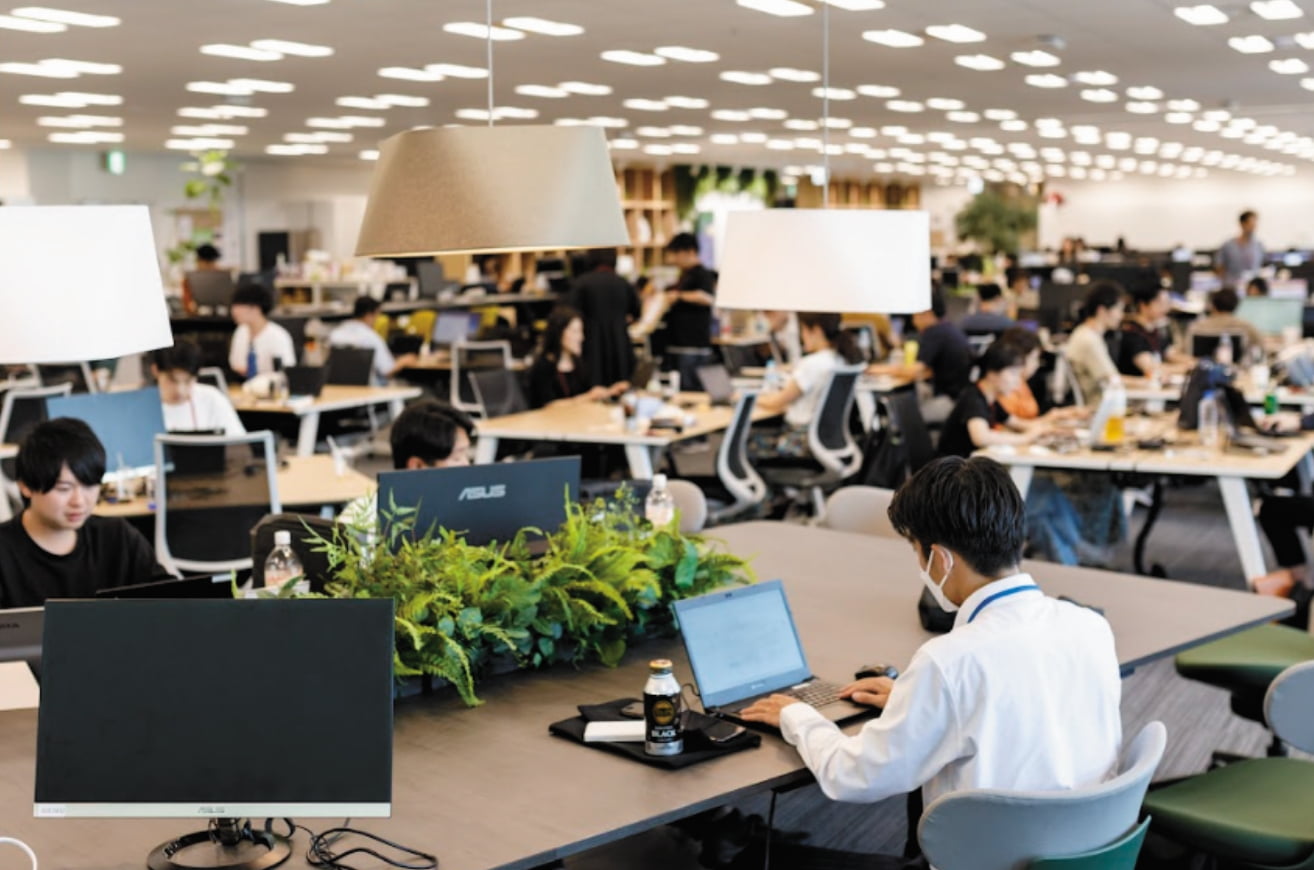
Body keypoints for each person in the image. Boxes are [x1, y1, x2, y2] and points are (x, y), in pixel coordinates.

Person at [740, 456, 1121, 830]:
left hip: (993, 853)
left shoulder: (949, 661)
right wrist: (919, 702)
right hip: (1092, 839)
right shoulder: (1089, 625)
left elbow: (854, 776)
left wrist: (798, 716)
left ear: (940, 559)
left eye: (916, 552)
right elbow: (1026, 706)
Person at [0, 418, 165, 608]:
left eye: (89, 485)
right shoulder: (4, 551)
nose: (79, 501)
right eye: (64, 488)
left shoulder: (118, 536)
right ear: (26, 486)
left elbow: (170, 599)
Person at [338, 400, 475, 529]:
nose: (467, 465)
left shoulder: (470, 509)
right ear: (417, 466)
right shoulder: (362, 519)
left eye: (466, 455)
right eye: (456, 458)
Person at [753, 312, 865, 457]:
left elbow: (777, 402)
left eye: (803, 330)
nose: (802, 336)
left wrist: (745, 398)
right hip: (824, 441)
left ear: (816, 331)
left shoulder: (812, 364)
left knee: (748, 444)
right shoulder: (841, 359)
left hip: (798, 443)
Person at [528, 306, 629, 409]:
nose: (581, 337)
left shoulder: (577, 363)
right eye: (575, 331)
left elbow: (587, 394)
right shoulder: (543, 366)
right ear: (559, 333)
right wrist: (589, 396)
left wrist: (609, 391)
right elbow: (549, 406)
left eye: (581, 331)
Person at [567, 248, 641, 387]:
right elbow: (636, 313)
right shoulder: (623, 283)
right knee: (620, 386)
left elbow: (569, 314)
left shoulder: (581, 283)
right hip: (619, 344)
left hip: (591, 343)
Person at [906, 287, 972, 422]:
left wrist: (878, 369)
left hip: (951, 403)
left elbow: (915, 370)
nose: (913, 321)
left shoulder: (934, 332)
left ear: (927, 313)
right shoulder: (948, 328)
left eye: (915, 316)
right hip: (961, 399)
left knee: (904, 418)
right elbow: (928, 370)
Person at [151, 341, 246, 435]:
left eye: (188, 381)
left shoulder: (212, 399)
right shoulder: (145, 406)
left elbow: (238, 441)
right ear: (155, 371)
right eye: (172, 380)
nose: (180, 390)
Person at [662, 232, 717, 389]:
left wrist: (679, 296)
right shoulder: (684, 275)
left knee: (690, 391)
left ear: (690, 252)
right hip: (678, 344)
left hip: (693, 345)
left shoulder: (702, 274)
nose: (674, 259)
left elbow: (708, 298)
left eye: (677, 254)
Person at [328, 296, 419, 383]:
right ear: (369, 315)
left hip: (340, 389)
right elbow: (387, 371)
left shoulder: (335, 334)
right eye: (377, 315)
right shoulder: (371, 337)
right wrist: (404, 361)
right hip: (372, 390)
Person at [1064, 281, 1124, 406]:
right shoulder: (1089, 340)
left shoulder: (1085, 334)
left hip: (1103, 404)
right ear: (1102, 310)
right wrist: (1150, 383)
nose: (1121, 316)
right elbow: (1113, 380)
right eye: (1119, 309)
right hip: (1099, 408)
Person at [228, 282, 296, 378]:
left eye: (239, 306)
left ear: (256, 308)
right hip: (242, 384)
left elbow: (286, 371)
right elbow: (235, 365)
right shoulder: (240, 332)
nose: (234, 311)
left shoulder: (278, 336)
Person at [1116, 285, 1177, 377]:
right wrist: (1187, 368)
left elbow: (1172, 354)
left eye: (1167, 303)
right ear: (1143, 305)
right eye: (1160, 303)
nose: (1165, 309)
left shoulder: (1154, 331)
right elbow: (1151, 369)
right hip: (1139, 385)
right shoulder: (1132, 334)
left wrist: (1194, 363)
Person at [1187, 287, 1264, 353]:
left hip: (1201, 365)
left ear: (1213, 306)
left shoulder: (1196, 326)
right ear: (1235, 306)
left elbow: (1185, 351)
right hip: (1235, 366)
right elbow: (1261, 346)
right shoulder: (1246, 326)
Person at [1216, 210, 1264, 288]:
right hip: (1232, 287)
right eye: (1251, 224)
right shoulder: (1228, 245)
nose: (1254, 227)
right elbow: (1219, 267)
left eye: (1255, 224)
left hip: (1252, 289)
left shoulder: (1258, 246)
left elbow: (1262, 266)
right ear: (1242, 224)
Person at [181, 243, 223, 315]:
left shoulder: (222, 278)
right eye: (207, 263)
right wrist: (192, 307)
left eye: (213, 263)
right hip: (198, 317)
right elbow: (187, 305)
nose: (211, 267)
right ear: (198, 262)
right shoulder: (189, 280)